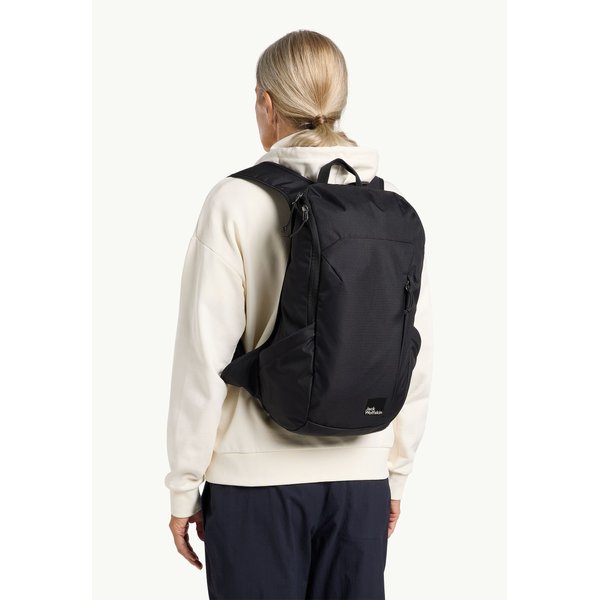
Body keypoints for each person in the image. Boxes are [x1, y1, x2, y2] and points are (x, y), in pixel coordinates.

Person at [165, 29, 434, 600]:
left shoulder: (234, 201)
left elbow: (202, 359)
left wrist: (184, 487)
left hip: (254, 486)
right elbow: (414, 353)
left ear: (267, 104)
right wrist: (395, 473)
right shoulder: (386, 208)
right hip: (359, 485)